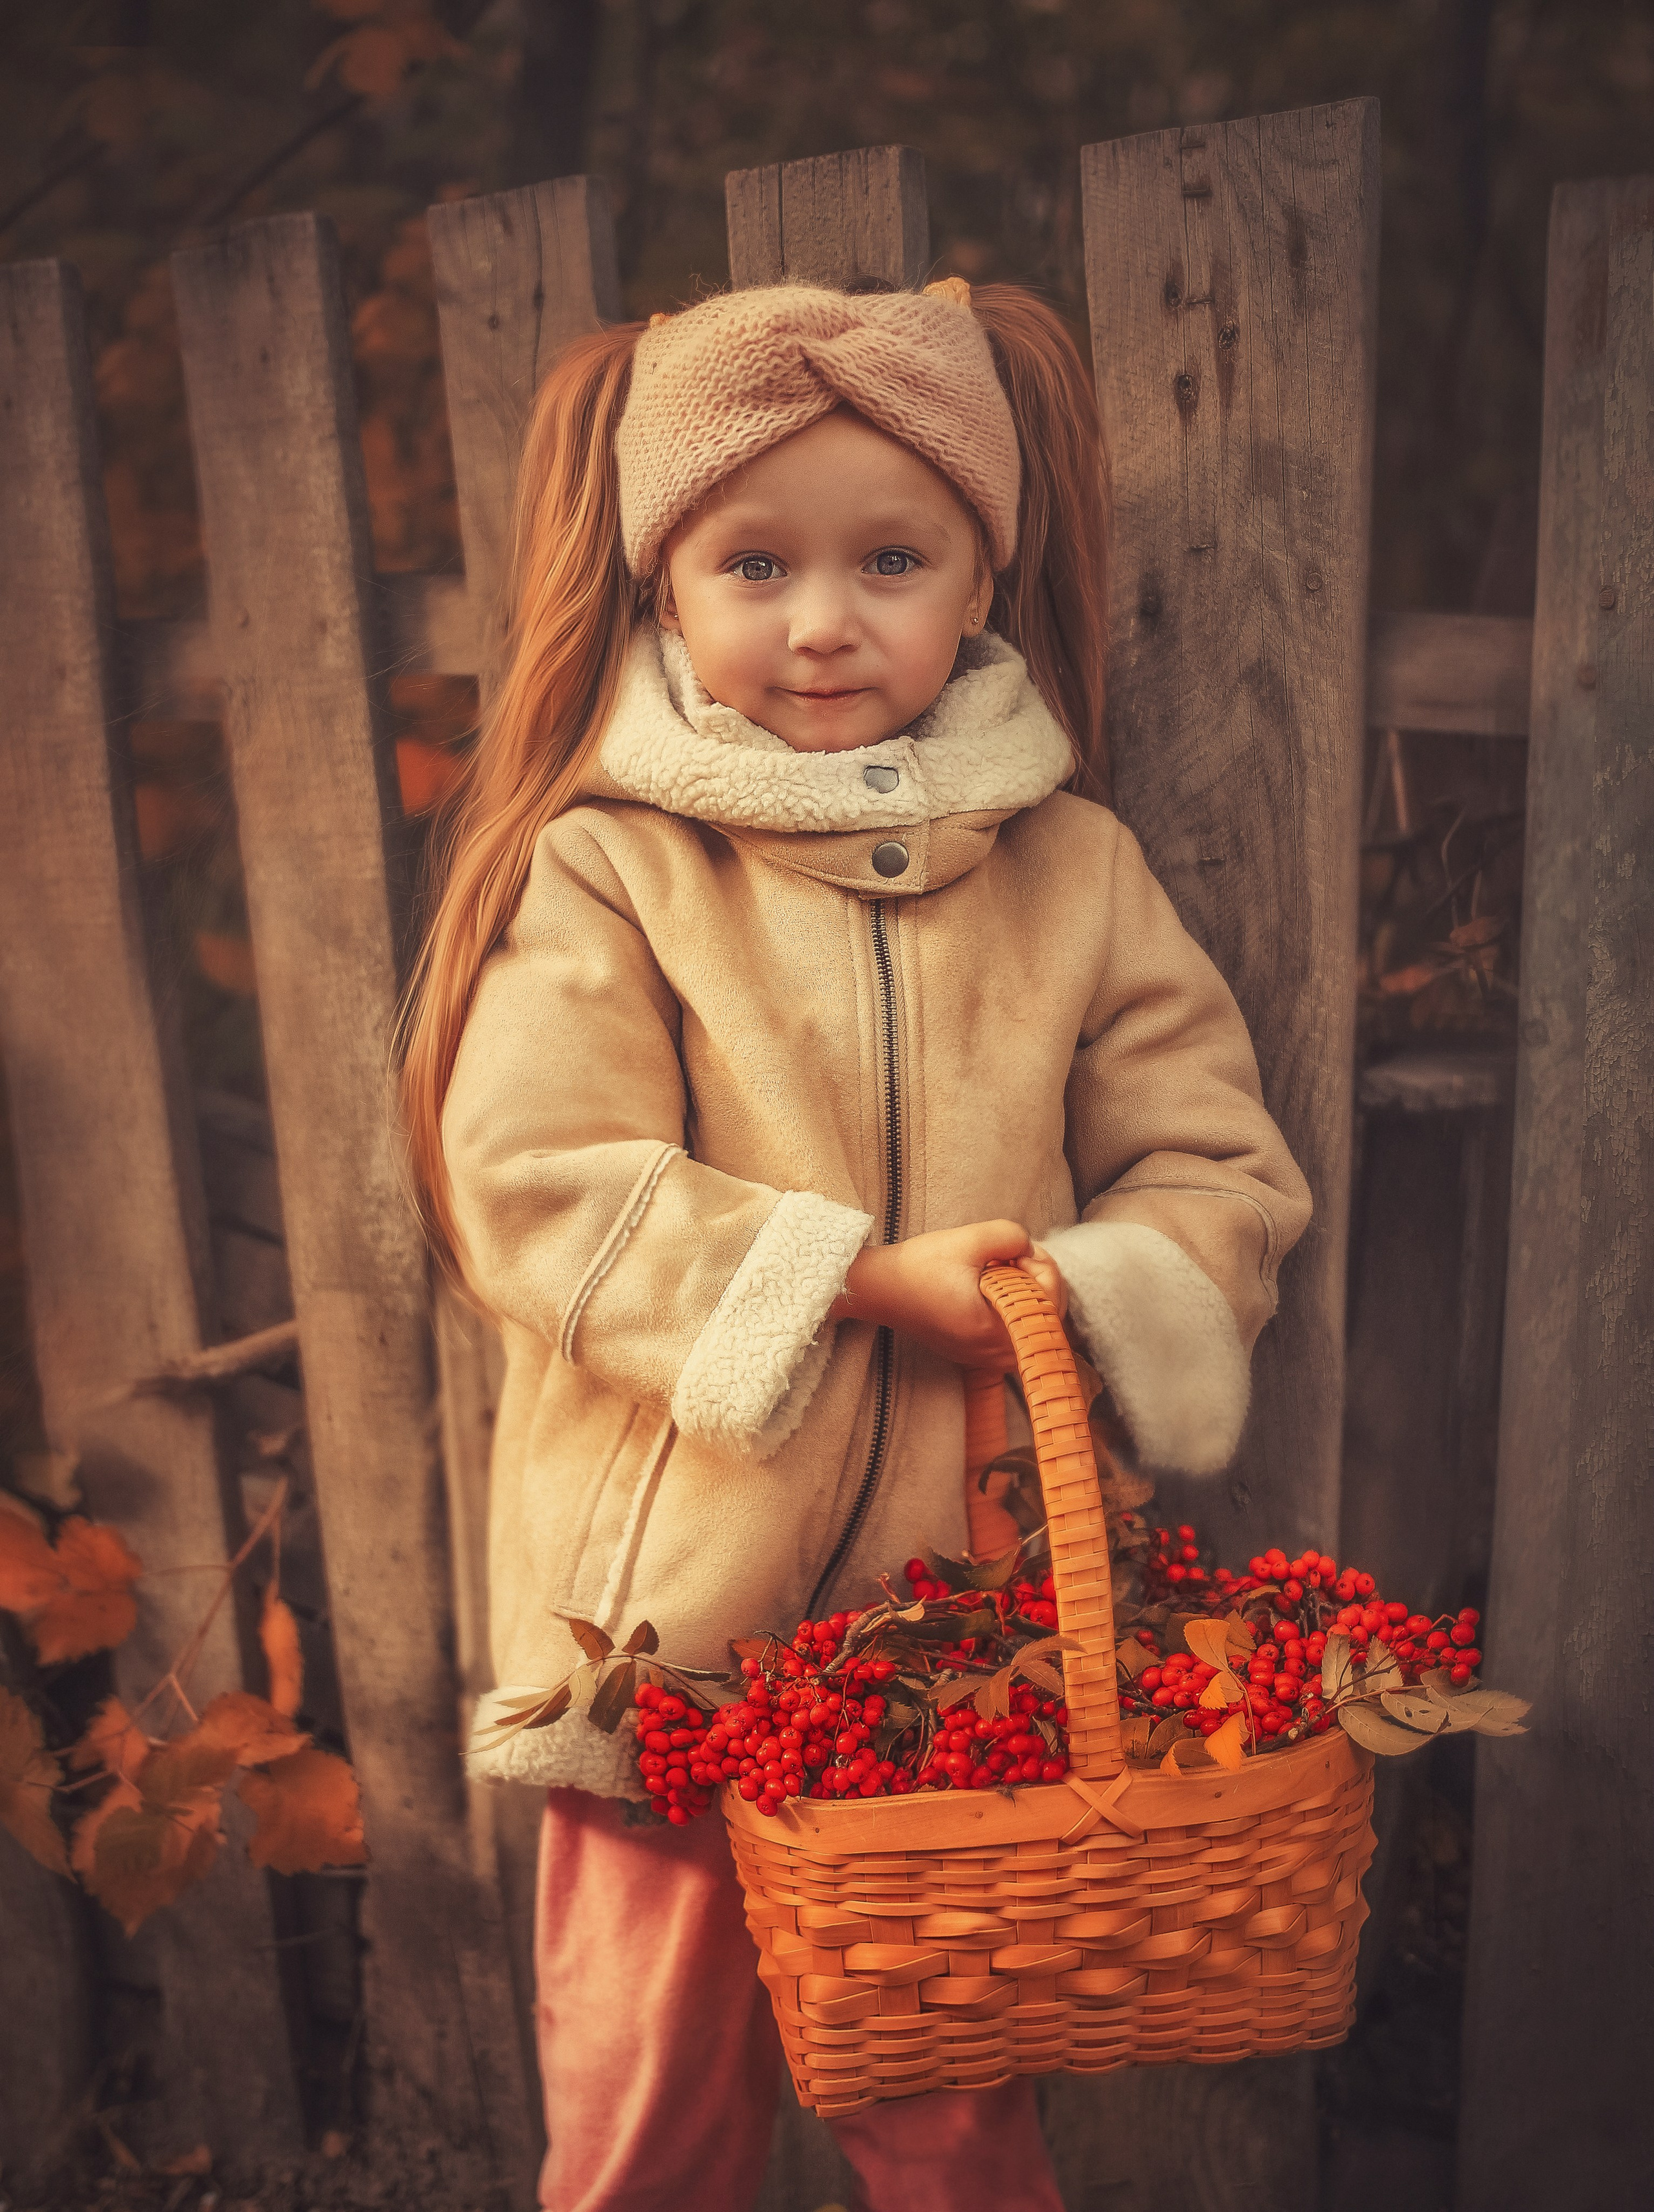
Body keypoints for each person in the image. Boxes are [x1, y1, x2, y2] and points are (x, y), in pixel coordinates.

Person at [397, 279, 1310, 2212]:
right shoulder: (615, 866)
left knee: (950, 2100)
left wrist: (1096, 1291)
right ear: (664, 587)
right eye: (756, 563)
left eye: (891, 559)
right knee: (649, 2103)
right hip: (663, 1619)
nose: (824, 620)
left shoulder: (1074, 872)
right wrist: (852, 1282)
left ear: (979, 583)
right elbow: (534, 1174)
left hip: (954, 1629)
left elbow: (1215, 1161)